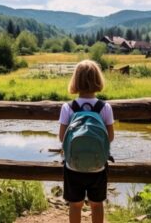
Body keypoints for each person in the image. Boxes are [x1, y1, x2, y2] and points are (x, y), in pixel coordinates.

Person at [59, 60, 115, 223]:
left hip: (73, 166)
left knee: (75, 205)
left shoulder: (68, 107)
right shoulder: (105, 107)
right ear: (98, 80)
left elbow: (62, 137)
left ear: (75, 81)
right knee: (97, 205)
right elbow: (110, 137)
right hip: (98, 167)